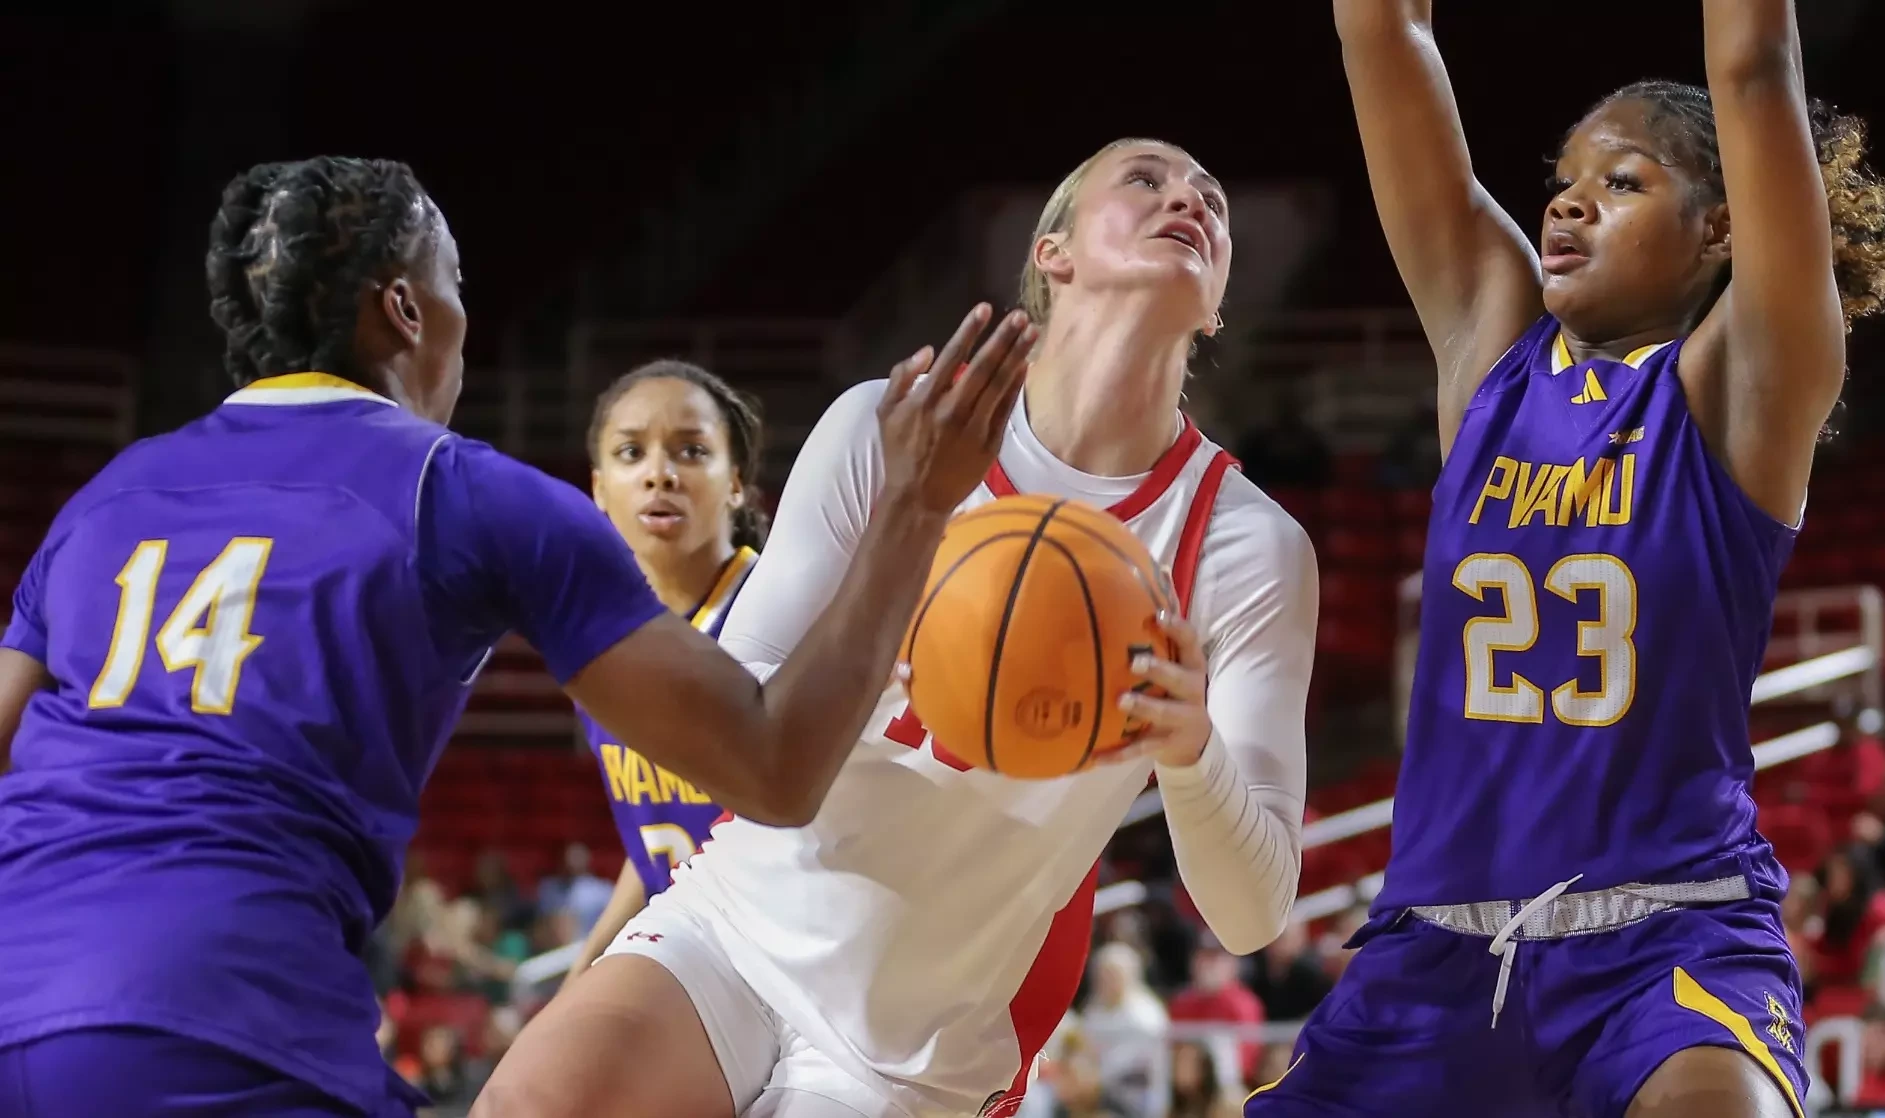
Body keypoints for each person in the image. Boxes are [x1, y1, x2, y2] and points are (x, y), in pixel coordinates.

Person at [0, 156, 1034, 1117]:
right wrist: (912, 502)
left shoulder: (105, 492)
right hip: (220, 1015)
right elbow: (773, 764)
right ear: (404, 308)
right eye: (453, 281)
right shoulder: (460, 488)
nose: (464, 314)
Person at [478, 137, 1319, 1118]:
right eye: (1145, 179)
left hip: (925, 1036)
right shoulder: (887, 426)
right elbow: (736, 717)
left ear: (1215, 302)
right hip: (741, 924)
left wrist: (1189, 748)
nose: (1188, 197)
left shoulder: (1246, 545)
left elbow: (1251, 911)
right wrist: (905, 547)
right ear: (1052, 253)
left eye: (1210, 198)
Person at [1250, 2, 1885, 1116]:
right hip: (1436, 953)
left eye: (1621, 182)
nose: (1568, 199)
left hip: (1668, 941)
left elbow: (1753, 62)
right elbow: (1383, 33)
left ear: (1721, 230)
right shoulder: (1490, 346)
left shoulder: (1740, 384)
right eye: (1564, 176)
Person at [564, 359, 769, 984]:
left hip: (794, 967)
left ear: (735, 481)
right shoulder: (594, 634)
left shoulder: (782, 610)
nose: (660, 473)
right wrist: (592, 956)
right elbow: (661, 831)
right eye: (632, 453)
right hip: (692, 963)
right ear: (599, 488)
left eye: (690, 451)